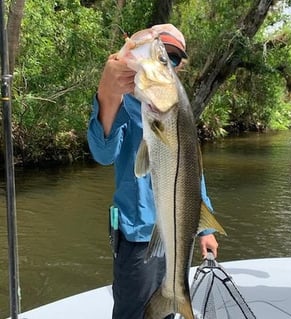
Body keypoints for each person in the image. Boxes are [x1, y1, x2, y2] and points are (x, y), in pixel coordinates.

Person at [87, 23, 219, 319]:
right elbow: (103, 154)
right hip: (136, 237)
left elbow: (192, 172)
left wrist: (206, 229)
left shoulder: (176, 110)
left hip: (178, 232)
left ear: (178, 70)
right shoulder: (121, 102)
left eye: (171, 59)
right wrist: (108, 94)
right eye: (162, 55)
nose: (166, 61)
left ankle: (174, 300)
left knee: (167, 311)